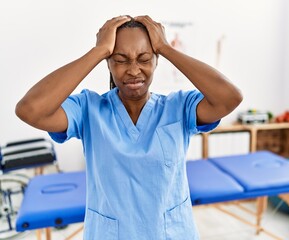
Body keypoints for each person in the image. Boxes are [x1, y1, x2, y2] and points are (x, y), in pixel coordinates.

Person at [16, 15, 243, 240]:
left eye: (144, 59)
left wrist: (165, 47)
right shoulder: (88, 109)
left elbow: (230, 98)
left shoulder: (179, 107)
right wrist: (98, 51)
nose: (134, 70)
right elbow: (30, 110)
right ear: (108, 63)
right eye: (120, 59)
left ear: (156, 60)